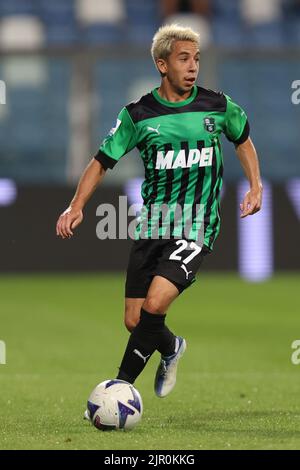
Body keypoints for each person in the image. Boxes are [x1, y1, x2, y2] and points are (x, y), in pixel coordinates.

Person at [56, 24, 263, 407]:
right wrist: (76, 205)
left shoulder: (216, 105)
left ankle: (117, 390)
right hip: (154, 224)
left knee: (155, 305)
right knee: (136, 321)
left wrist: (255, 185)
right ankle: (171, 347)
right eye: (184, 59)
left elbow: (243, 139)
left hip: (197, 225)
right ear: (162, 64)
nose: (193, 67)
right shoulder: (138, 115)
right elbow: (101, 162)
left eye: (196, 59)